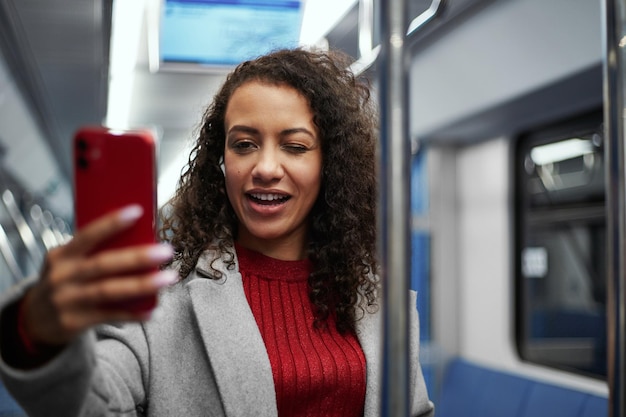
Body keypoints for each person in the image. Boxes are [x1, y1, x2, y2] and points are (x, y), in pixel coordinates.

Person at [0, 48, 434, 417]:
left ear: (329, 164)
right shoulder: (162, 297)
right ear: (221, 161)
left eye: (295, 146)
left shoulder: (374, 298)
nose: (264, 168)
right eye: (244, 144)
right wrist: (36, 334)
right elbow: (95, 403)